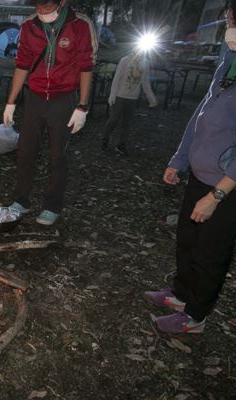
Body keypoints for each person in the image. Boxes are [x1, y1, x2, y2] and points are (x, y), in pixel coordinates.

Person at [143, 0, 236, 334]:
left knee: (211, 251)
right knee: (188, 239)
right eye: (228, 19)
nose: (228, 27)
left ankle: (195, 316)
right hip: (200, 172)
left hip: (227, 184)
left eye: (231, 21)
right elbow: (201, 115)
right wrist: (179, 159)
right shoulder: (229, 60)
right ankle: (181, 294)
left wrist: (216, 195)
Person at [3, 0, 97, 225]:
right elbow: (22, 64)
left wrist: (82, 106)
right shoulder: (29, 26)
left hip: (63, 99)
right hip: (35, 97)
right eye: (38, 7)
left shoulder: (80, 25)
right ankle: (21, 200)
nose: (42, 12)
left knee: (58, 156)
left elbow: (86, 66)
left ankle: (52, 205)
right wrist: (11, 102)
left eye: (47, 7)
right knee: (25, 151)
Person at [101, 51, 157, 156]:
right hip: (120, 96)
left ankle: (121, 144)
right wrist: (112, 95)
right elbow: (117, 78)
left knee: (126, 123)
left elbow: (145, 81)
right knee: (113, 119)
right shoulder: (125, 60)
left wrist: (151, 97)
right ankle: (105, 137)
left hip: (132, 98)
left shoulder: (145, 63)